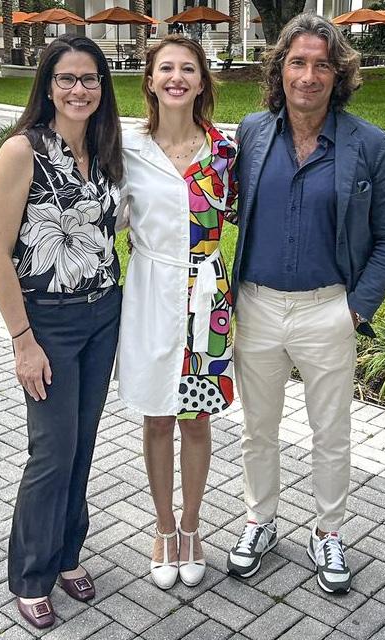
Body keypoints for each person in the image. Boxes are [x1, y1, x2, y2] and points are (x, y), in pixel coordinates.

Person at [226, 13, 385, 593]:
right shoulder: (252, 133)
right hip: (256, 306)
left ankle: (328, 531)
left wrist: (355, 310)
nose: (308, 76)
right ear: (279, 70)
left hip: (329, 309)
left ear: (339, 75)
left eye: (322, 65)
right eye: (297, 62)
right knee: (257, 429)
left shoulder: (369, 144)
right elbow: (217, 204)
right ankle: (259, 520)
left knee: (331, 432)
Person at [0, 35, 123, 628]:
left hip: (104, 314)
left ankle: (68, 554)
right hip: (49, 323)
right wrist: (23, 340)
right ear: (48, 85)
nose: (78, 90)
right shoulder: (23, 150)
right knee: (52, 450)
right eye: (66, 78)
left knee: (82, 445)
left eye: (89, 79)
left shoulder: (105, 148)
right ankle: (32, 573)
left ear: (102, 87)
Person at [117, 35, 237, 590]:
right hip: (150, 292)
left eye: (188, 68)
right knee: (158, 417)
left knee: (196, 418)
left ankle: (192, 528)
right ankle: (163, 528)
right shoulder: (128, 150)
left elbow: (250, 216)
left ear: (202, 81)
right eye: (166, 68)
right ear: (150, 80)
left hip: (207, 297)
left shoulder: (224, 152)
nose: (177, 77)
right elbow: (104, 219)